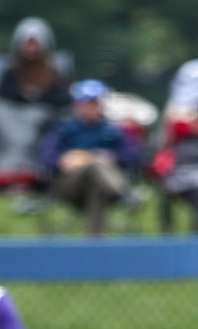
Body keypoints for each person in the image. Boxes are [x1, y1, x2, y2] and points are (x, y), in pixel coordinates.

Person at [38, 80, 140, 235]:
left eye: (95, 103)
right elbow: (45, 155)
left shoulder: (114, 130)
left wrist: (112, 157)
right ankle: (123, 193)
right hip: (70, 185)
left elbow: (134, 155)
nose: (91, 108)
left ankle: (94, 243)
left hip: (101, 186)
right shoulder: (64, 129)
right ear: (77, 105)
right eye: (86, 104)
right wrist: (63, 160)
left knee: (96, 186)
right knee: (93, 166)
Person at [0, 17, 73, 109]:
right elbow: (1, 98)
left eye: (35, 44)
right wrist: (22, 96)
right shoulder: (12, 71)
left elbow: (63, 99)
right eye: (28, 44)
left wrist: (40, 97)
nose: (31, 49)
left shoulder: (53, 73)